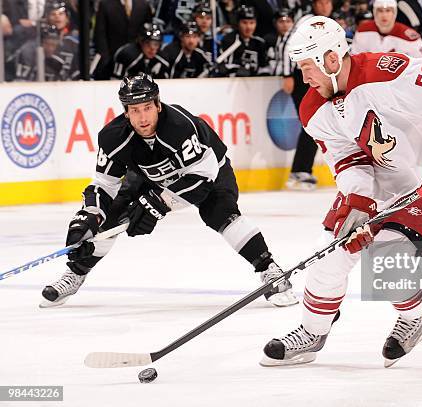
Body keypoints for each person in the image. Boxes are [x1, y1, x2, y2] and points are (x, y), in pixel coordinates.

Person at [260, 16, 422, 367]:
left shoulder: (389, 72)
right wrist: (358, 201)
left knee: (386, 262)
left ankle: (416, 314)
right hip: (378, 181)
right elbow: (347, 160)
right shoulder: (312, 107)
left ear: (331, 59)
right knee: (329, 256)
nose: (304, 78)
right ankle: (312, 329)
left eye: (308, 68)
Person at [40, 74, 298, 308]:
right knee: (111, 215)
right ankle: (75, 273)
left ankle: (270, 269)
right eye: (135, 110)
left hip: (209, 171)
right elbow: (104, 184)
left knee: (221, 214)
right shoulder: (113, 138)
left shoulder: (179, 126)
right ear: (126, 112)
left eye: (147, 108)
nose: (143, 118)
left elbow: (202, 178)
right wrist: (91, 214)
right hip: (153, 177)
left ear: (158, 105)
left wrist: (157, 204)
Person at [284, 0, 334, 191]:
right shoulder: (308, 20)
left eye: (328, 2)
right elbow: (288, 44)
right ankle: (300, 171)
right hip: (302, 77)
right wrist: (287, 73)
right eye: (321, 2)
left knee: (314, 121)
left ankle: (301, 170)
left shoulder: (327, 22)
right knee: (311, 122)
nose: (325, 5)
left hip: (315, 76)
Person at [351, 0, 422, 57]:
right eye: (380, 11)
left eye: (388, 10)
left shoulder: (410, 37)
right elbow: (355, 57)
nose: (384, 15)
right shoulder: (363, 30)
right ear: (375, 13)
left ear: (394, 13)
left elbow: (420, 65)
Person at [215, 6, 270, 77]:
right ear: (238, 23)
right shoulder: (229, 41)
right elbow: (221, 66)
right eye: (244, 23)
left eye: (252, 23)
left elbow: (265, 67)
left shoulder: (259, 43)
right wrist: (237, 69)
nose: (248, 27)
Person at [266, 8, 295, 76]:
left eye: (288, 21)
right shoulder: (268, 41)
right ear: (275, 23)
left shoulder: (299, 43)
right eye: (281, 21)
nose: (285, 25)